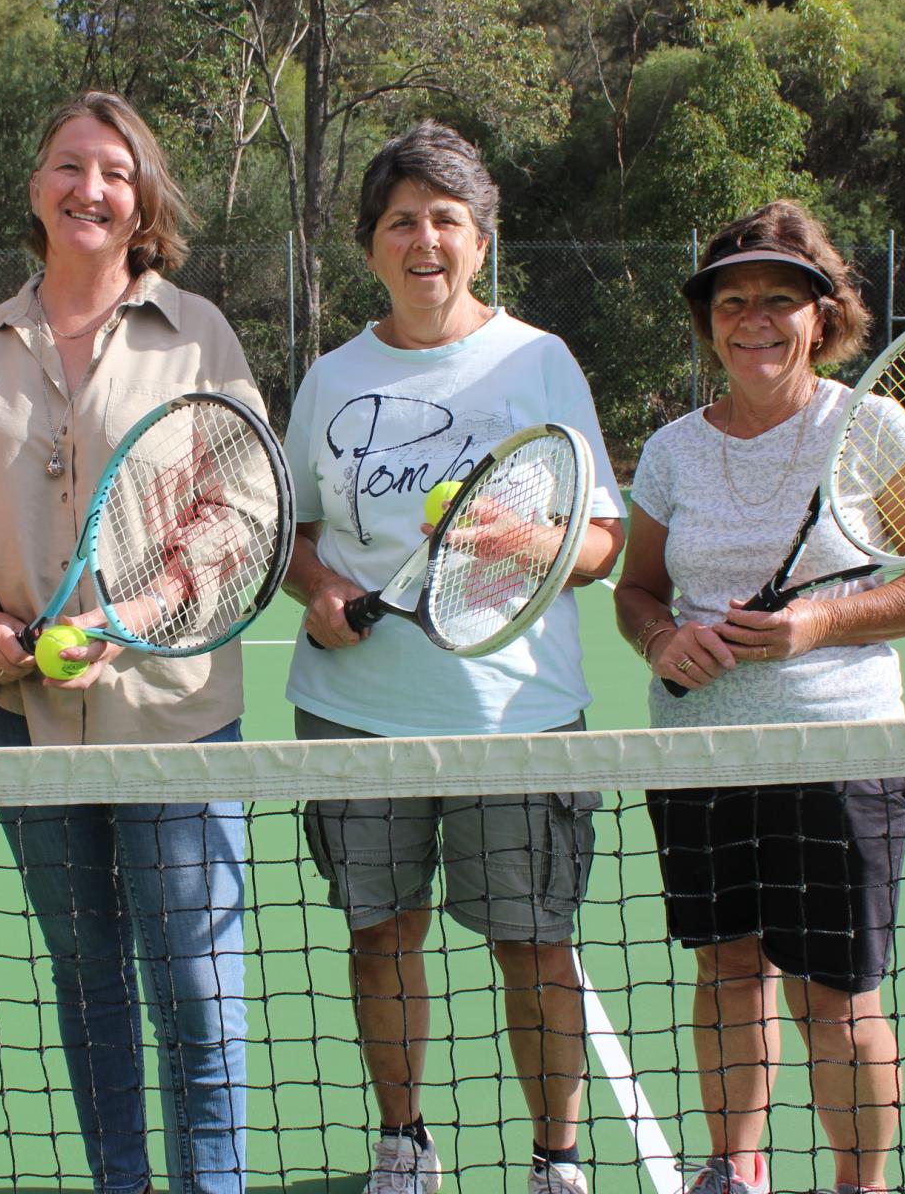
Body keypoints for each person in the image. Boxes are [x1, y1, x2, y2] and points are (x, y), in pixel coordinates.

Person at [0, 90, 253, 1194]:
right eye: (69, 165)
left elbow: (244, 513)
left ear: (142, 199)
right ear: (36, 189)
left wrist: (135, 619)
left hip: (173, 718)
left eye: (113, 170)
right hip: (21, 722)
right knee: (88, 978)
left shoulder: (198, 332)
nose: (89, 187)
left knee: (195, 983)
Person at [283, 121, 625, 1194]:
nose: (422, 239)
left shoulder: (539, 360)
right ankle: (404, 1143)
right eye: (401, 221)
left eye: (445, 219)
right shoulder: (331, 378)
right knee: (381, 936)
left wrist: (521, 546)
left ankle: (556, 1157)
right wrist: (324, 590)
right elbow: (293, 535)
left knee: (534, 947)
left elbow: (604, 538)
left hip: (517, 715)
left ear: (481, 240)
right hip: (354, 710)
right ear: (371, 243)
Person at [612, 200, 905, 1194]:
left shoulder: (872, 426)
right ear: (710, 319)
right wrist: (662, 638)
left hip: (836, 753)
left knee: (837, 999)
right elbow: (637, 590)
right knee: (726, 974)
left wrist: (816, 624)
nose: (755, 319)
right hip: (700, 757)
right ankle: (735, 1166)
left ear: (822, 313)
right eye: (734, 301)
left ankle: (862, 1183)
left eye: (780, 298)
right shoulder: (677, 448)